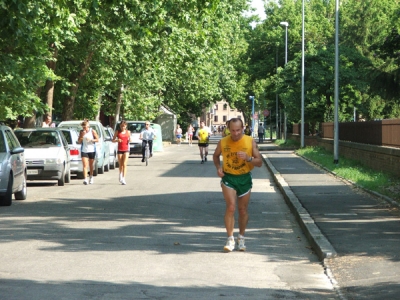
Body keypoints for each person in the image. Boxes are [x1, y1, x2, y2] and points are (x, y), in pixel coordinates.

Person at [213, 117, 262, 252]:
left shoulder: (250, 141)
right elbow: (215, 156)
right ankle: (230, 239)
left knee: (242, 210)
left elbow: (259, 162)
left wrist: (248, 158)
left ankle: (241, 237)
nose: (235, 134)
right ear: (229, 129)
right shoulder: (223, 142)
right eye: (233, 130)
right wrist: (218, 167)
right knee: (231, 207)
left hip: (244, 178)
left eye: (238, 130)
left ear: (243, 129)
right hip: (229, 177)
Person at [77, 120, 99, 185]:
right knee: (85, 165)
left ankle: (91, 177)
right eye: (83, 127)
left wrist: (91, 140)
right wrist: (81, 136)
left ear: (88, 126)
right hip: (84, 150)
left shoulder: (92, 131)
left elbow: (97, 139)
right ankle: (85, 179)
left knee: (91, 165)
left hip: (92, 150)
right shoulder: (81, 132)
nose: (84, 129)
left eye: (85, 127)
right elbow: (79, 141)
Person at [113, 121, 131, 185]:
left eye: (124, 126)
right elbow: (113, 140)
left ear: (126, 126)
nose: (122, 127)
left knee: (125, 164)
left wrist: (130, 140)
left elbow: (130, 139)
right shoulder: (117, 132)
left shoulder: (128, 132)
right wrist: (117, 140)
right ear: (120, 126)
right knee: (121, 164)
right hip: (120, 149)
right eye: (121, 126)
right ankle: (120, 174)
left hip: (126, 149)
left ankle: (123, 178)